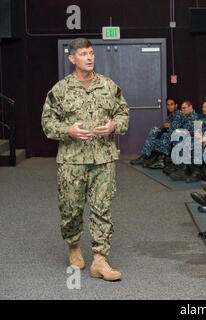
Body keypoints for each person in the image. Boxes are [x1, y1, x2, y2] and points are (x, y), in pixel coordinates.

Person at [41, 38, 129, 281]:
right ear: (72, 58)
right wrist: (67, 131)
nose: (89, 57)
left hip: (103, 159)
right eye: (83, 54)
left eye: (91, 53)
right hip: (72, 161)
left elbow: (123, 114)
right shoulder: (60, 90)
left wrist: (113, 126)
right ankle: (74, 247)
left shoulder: (109, 86)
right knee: (70, 209)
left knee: (103, 209)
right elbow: (47, 123)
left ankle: (100, 261)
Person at [130, 98, 184, 167]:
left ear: (176, 105)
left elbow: (174, 129)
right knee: (154, 130)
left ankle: (157, 158)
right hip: (171, 133)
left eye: (171, 104)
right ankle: (146, 156)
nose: (169, 106)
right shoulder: (171, 116)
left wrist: (169, 126)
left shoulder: (178, 114)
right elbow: (165, 126)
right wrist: (168, 126)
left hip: (178, 136)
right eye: (168, 105)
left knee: (163, 135)